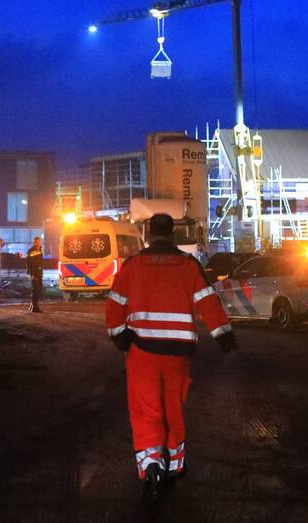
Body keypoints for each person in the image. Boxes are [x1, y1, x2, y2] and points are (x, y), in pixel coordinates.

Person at [106, 213, 236, 503]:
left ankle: (152, 466)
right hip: (178, 354)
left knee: (146, 410)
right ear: (173, 235)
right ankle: (175, 465)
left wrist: (119, 336)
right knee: (172, 407)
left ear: (149, 234)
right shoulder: (188, 265)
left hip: (143, 352)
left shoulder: (133, 265)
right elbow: (208, 302)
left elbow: (114, 305)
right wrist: (224, 337)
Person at [26, 236, 44, 313]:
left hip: (39, 273)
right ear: (34, 242)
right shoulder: (31, 251)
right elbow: (29, 263)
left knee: (39, 289)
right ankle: (34, 307)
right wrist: (32, 274)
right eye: (37, 242)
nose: (38, 243)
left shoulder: (40, 250)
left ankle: (32, 305)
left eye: (39, 241)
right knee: (36, 290)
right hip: (34, 273)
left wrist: (41, 272)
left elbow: (40, 263)